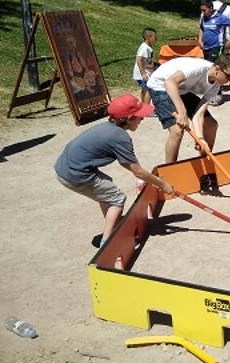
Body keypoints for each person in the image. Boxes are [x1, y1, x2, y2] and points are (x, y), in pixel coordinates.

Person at [54, 94, 175, 248]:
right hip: (75, 174)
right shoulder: (119, 137)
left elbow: (129, 166)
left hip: (66, 167)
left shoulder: (108, 128)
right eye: (139, 117)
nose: (142, 119)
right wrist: (162, 184)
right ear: (129, 118)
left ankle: (114, 225)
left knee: (107, 188)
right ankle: (108, 243)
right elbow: (137, 171)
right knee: (117, 199)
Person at [146, 53, 230, 163]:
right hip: (160, 86)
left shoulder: (216, 86)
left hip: (181, 90)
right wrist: (182, 112)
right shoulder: (197, 69)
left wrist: (200, 138)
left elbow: (198, 114)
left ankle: (205, 161)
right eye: (228, 76)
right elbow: (169, 82)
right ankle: (170, 172)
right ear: (217, 69)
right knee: (177, 131)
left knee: (211, 124)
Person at [133, 28, 157, 104]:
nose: (156, 39)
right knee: (148, 89)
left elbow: (146, 61)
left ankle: (143, 105)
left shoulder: (147, 47)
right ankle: (146, 108)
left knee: (145, 89)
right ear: (148, 38)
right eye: (155, 37)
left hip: (145, 72)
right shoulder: (144, 47)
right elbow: (139, 59)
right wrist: (143, 73)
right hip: (142, 74)